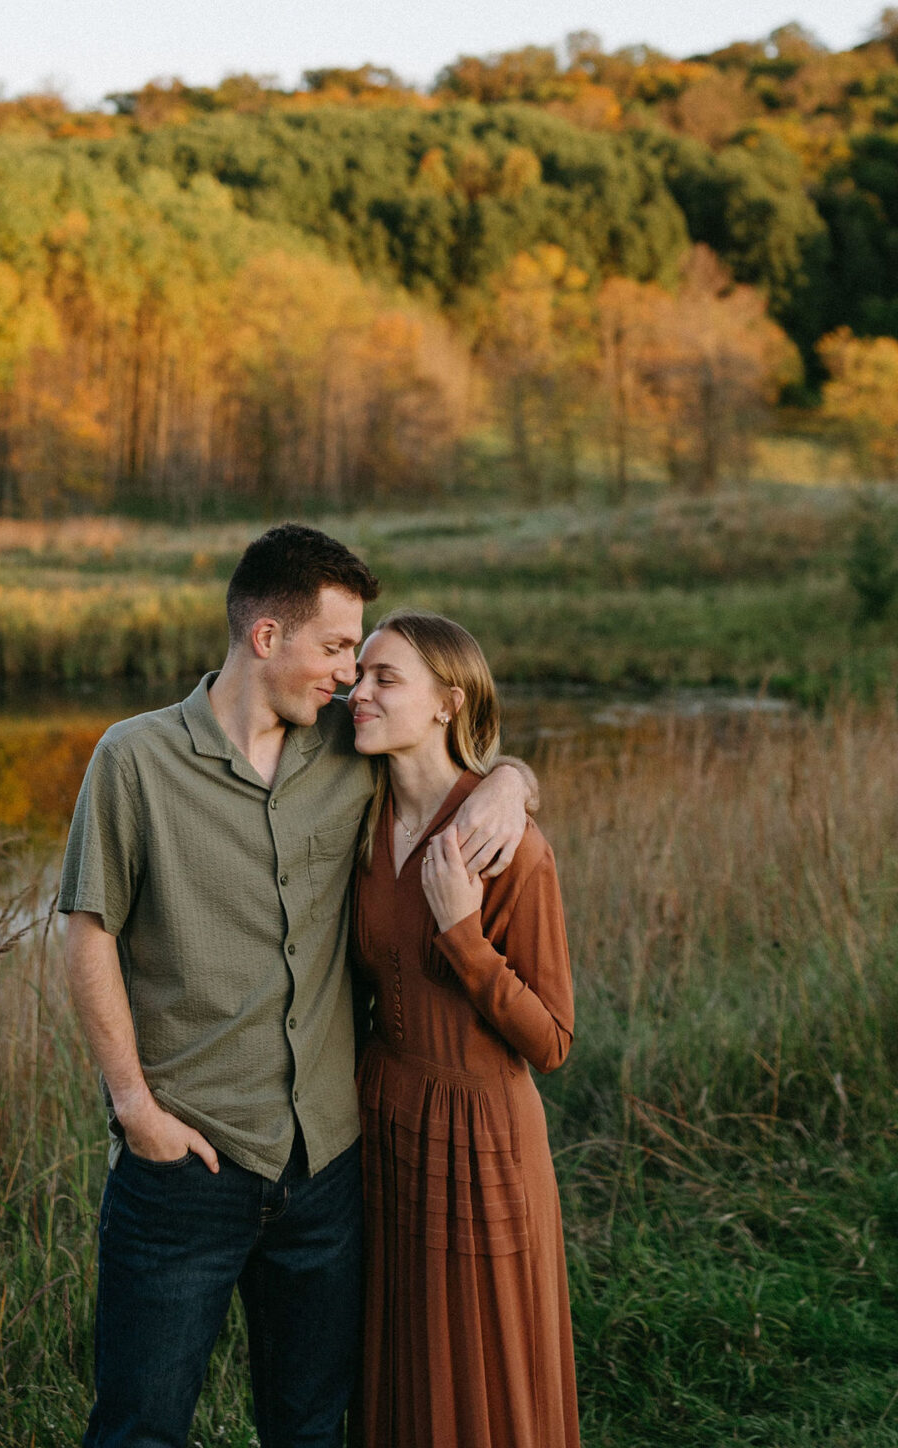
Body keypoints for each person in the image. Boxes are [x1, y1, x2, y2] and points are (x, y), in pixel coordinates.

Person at [58, 523, 539, 1448]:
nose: (349, 676)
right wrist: (135, 1111)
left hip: (326, 1170)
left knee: (311, 1430)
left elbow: (449, 761)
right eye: (334, 649)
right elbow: (88, 936)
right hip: (185, 1169)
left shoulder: (349, 750)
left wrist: (510, 781)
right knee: (138, 1431)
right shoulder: (133, 759)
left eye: (357, 658)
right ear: (266, 636)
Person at [348, 609, 579, 1448]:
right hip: (383, 1119)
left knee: (483, 1362)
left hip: (481, 1135)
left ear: (447, 703)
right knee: (399, 1356)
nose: (357, 692)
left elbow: (551, 1041)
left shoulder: (508, 848)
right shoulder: (356, 817)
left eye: (384, 678)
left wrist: (462, 938)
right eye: (357, 673)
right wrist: (512, 771)